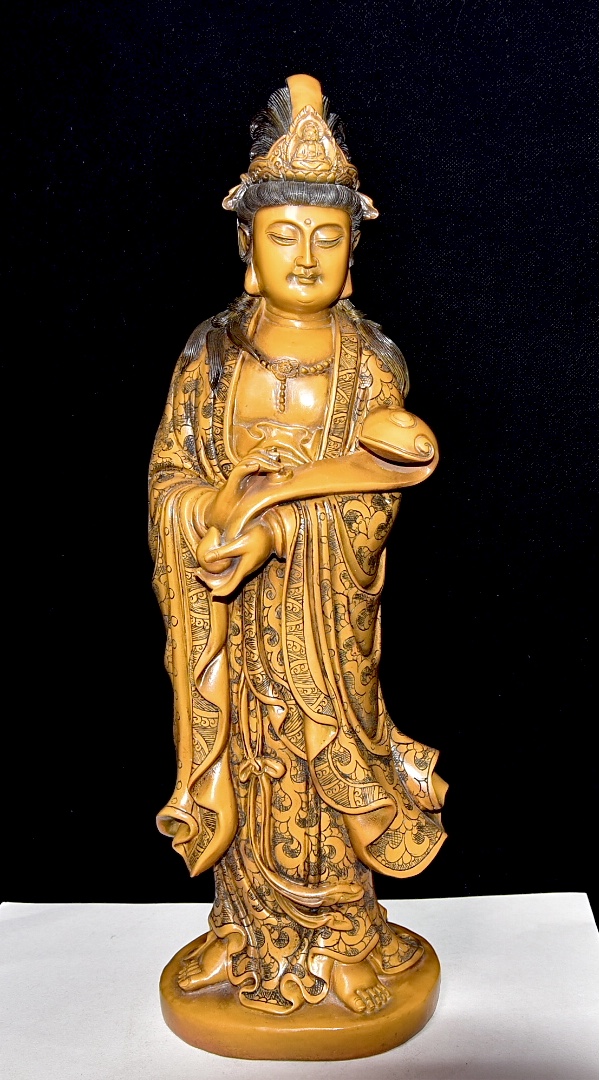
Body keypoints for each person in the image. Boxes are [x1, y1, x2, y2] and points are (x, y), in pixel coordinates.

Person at [150, 75, 446, 1018]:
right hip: (230, 624)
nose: (306, 255)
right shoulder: (210, 355)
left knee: (322, 770)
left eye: (327, 237)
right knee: (243, 762)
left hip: (321, 622)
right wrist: (214, 511)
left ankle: (342, 937)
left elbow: (374, 499)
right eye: (284, 234)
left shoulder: (370, 364)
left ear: (353, 254)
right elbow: (168, 477)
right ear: (247, 249)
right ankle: (243, 928)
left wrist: (283, 526)